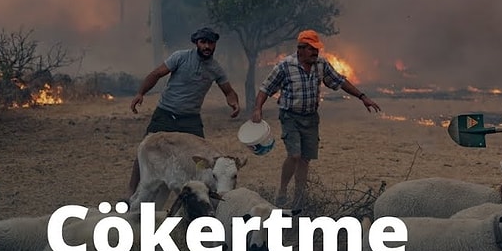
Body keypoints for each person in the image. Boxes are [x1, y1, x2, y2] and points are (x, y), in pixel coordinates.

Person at [251, 29, 381, 210]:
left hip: (311, 118)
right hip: (290, 116)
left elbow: (340, 81)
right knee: (294, 155)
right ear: (300, 49)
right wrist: (258, 109)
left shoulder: (321, 64)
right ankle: (282, 190)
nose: (315, 52)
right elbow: (265, 88)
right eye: (311, 49)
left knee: (305, 159)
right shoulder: (285, 66)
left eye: (316, 49)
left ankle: (298, 200)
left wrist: (362, 97)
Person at [127, 27, 241, 197]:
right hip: (166, 113)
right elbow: (157, 74)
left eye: (210, 43)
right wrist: (140, 93)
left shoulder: (215, 69)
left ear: (215, 45)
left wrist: (234, 103)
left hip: (190, 119)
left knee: (202, 157)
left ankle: (196, 195)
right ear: (196, 43)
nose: (207, 46)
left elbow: (229, 91)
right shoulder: (180, 57)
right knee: (147, 149)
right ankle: (130, 191)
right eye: (203, 42)